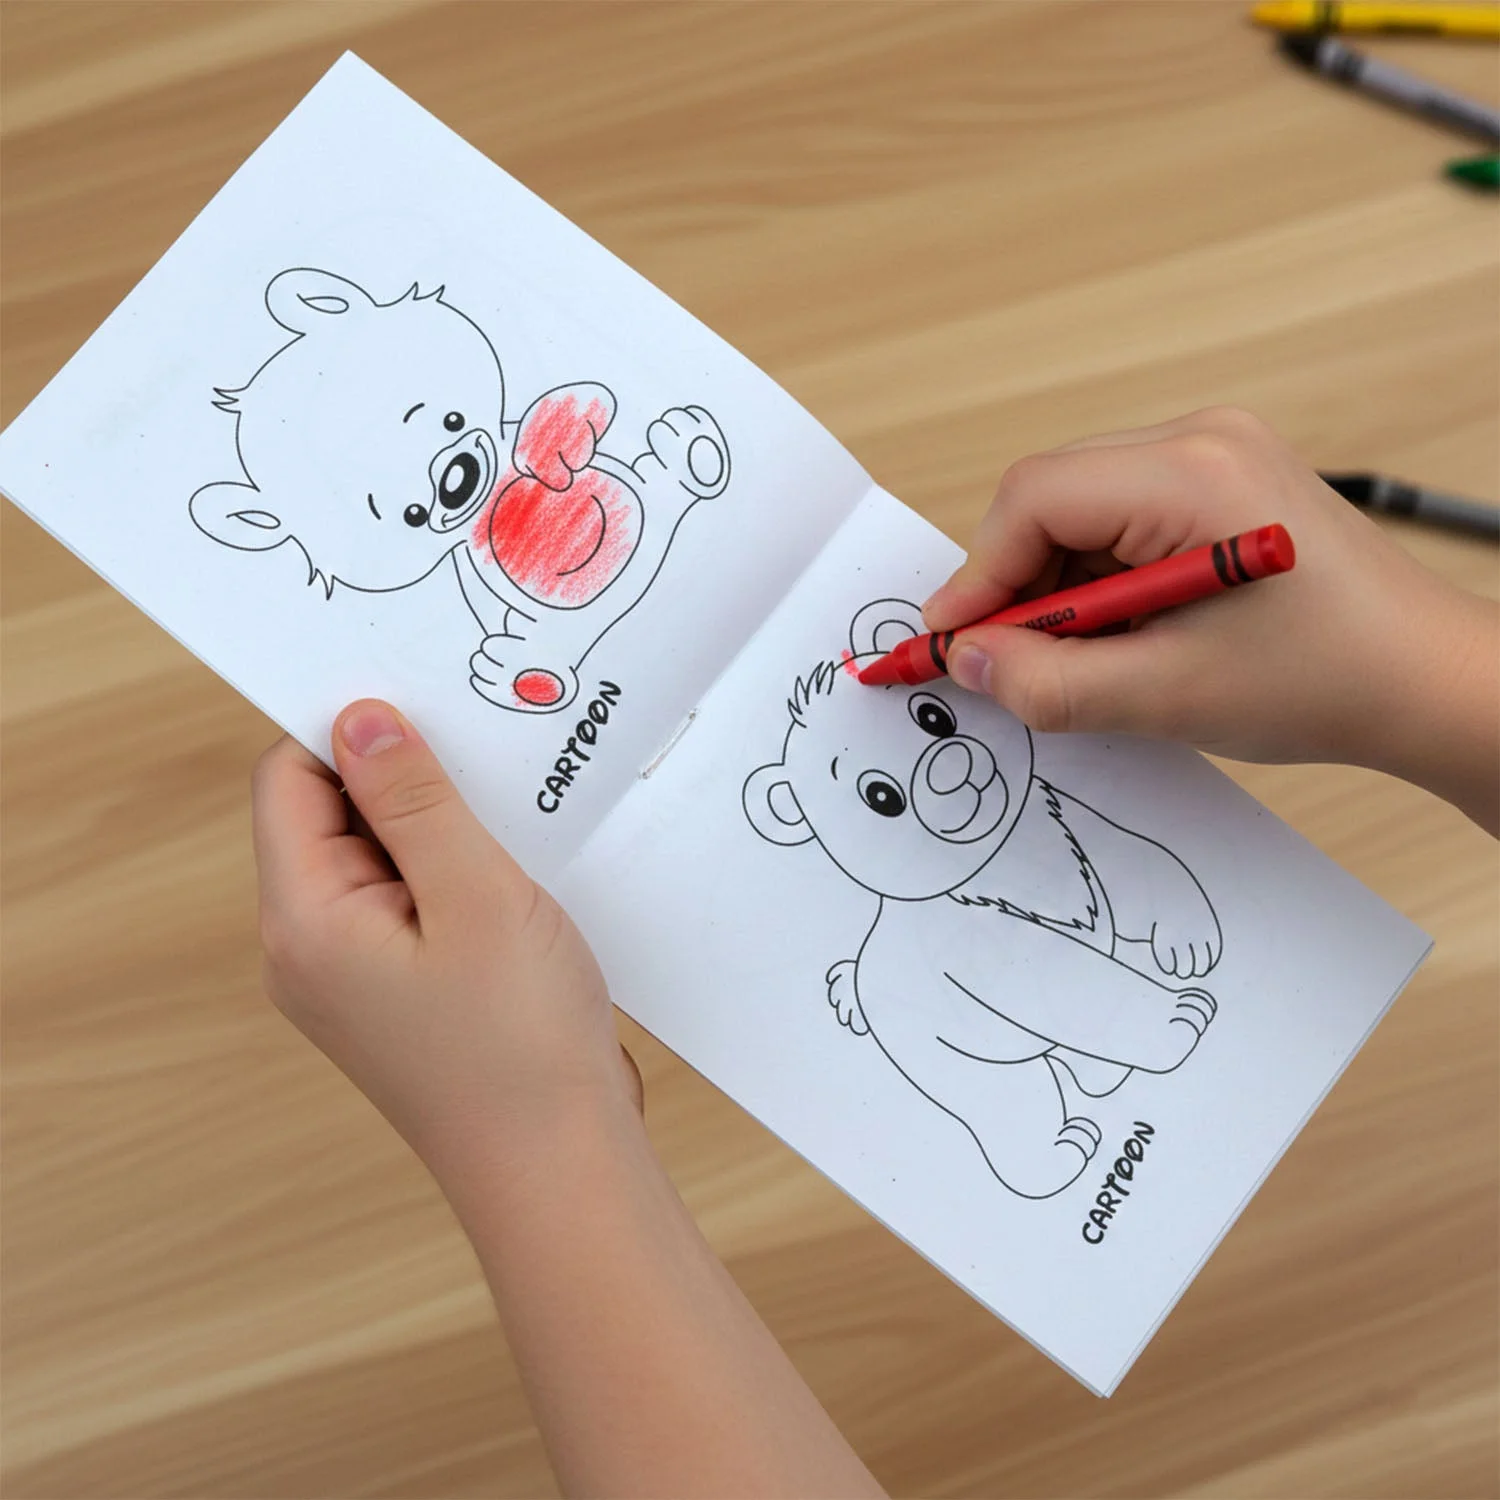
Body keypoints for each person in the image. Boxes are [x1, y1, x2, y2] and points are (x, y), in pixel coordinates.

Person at [251, 407, 1497, 1497]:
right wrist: (1435, 677)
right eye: (883, 800)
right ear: (797, 815)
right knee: (1012, 1067)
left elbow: (1120, 859)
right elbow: (1059, 989)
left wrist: (529, 1137)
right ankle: (1029, 1135)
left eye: (935, 726)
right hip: (985, 1015)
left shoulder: (1041, 801)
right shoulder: (923, 951)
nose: (945, 773)